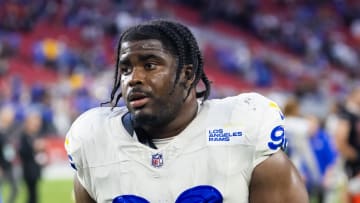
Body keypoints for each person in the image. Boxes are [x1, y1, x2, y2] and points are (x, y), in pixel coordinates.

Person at [64, 19, 308, 203]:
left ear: (188, 74)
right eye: (126, 69)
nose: (133, 79)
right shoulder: (94, 141)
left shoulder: (242, 129)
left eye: (150, 65)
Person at [19, 109, 46, 203]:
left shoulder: (35, 135)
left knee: (34, 194)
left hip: (35, 169)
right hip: (28, 170)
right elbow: (22, 152)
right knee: (32, 195)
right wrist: (34, 148)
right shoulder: (24, 136)